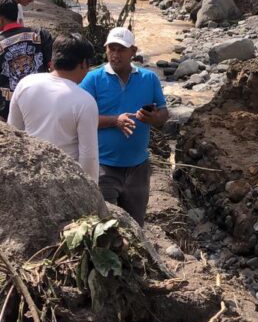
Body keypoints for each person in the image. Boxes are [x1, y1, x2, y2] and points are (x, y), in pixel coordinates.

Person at [80, 27, 169, 226]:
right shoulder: (93, 79)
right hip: (103, 167)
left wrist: (152, 118)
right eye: (112, 48)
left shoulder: (149, 78)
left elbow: (164, 114)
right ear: (105, 50)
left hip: (138, 168)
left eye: (121, 49)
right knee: (106, 225)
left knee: (135, 225)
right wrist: (115, 121)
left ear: (133, 52)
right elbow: (78, 118)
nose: (115, 54)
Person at [8, 35, 99, 182]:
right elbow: (89, 156)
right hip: (65, 181)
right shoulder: (85, 101)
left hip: (29, 176)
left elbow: (13, 133)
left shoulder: (25, 84)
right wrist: (93, 193)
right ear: (83, 64)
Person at [0, 0, 53, 120]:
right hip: (42, 104)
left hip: (9, 112)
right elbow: (54, 67)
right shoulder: (41, 35)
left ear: (1, 19)